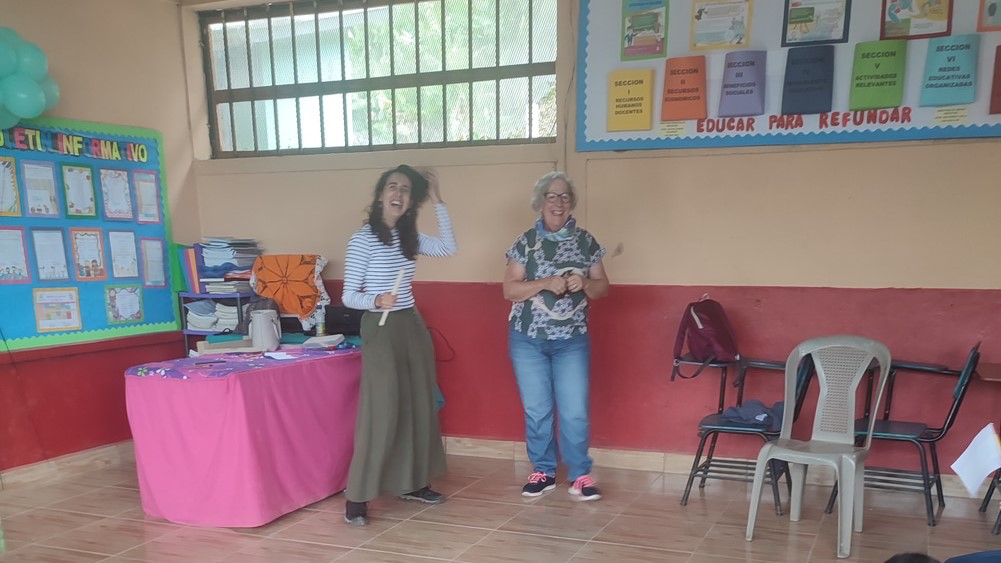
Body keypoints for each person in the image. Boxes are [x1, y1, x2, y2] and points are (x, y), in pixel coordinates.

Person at [341, 164, 457, 526]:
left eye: (406, 189)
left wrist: (437, 199)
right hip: (381, 326)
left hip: (411, 323)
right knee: (382, 408)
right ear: (381, 195)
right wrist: (376, 300)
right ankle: (357, 495)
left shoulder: (410, 238)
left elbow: (449, 247)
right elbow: (348, 296)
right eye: (392, 186)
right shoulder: (363, 239)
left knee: (418, 403)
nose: (398, 193)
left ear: (411, 201)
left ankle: (413, 483)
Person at [502, 171, 610, 501]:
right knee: (537, 410)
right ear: (540, 202)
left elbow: (603, 288)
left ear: (571, 202)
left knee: (575, 410)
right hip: (527, 340)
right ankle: (544, 470)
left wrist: (586, 283)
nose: (558, 202)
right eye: (551, 195)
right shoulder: (525, 243)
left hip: (571, 340)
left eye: (564, 196)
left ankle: (580, 475)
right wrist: (545, 283)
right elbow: (509, 290)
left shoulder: (586, 242)